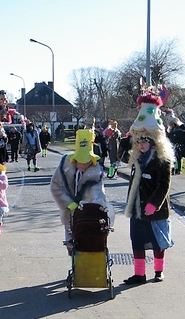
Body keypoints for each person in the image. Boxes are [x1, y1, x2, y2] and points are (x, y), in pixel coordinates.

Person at [123, 86, 175, 284]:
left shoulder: (163, 160)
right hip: (137, 208)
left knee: (157, 243)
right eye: (138, 140)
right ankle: (139, 274)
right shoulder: (137, 158)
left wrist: (154, 204)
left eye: (144, 140)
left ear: (154, 142)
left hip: (155, 209)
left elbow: (164, 185)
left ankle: (159, 271)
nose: (140, 144)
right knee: (137, 241)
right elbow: (123, 153)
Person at [50, 128, 111, 254]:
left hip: (88, 216)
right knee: (72, 247)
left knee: (90, 245)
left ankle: (87, 270)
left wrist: (96, 208)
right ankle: (75, 267)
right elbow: (55, 187)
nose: (82, 166)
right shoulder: (64, 166)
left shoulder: (95, 171)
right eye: (79, 162)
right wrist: (69, 204)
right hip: (69, 214)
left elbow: (98, 192)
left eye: (86, 162)